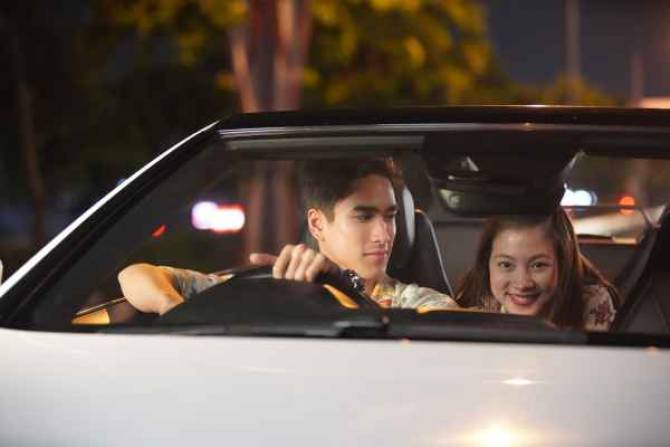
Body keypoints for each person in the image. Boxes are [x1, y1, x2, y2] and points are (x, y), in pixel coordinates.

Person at [118, 158, 458, 315]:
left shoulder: (415, 302)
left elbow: (452, 334)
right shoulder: (270, 286)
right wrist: (174, 312)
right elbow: (136, 275)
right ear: (317, 224)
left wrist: (346, 287)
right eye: (364, 216)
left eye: (390, 216)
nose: (384, 233)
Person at [456, 208, 618, 331]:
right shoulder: (475, 297)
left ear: (563, 263)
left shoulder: (590, 301)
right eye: (506, 265)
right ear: (487, 263)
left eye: (538, 265)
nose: (522, 284)